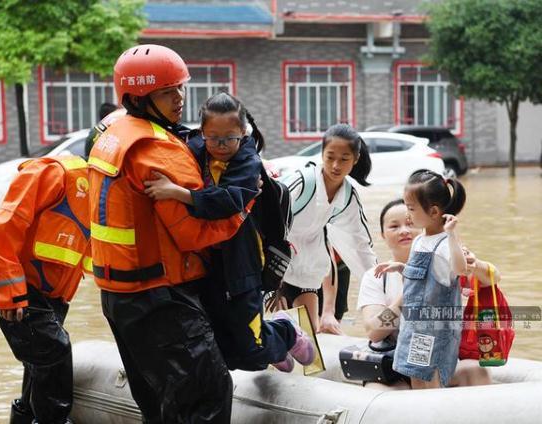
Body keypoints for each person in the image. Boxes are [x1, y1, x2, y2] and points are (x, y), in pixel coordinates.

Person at [87, 44, 247, 424]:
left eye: (180, 88)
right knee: (206, 394)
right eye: (166, 92)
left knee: (159, 402)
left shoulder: (112, 131)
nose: (179, 99)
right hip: (162, 297)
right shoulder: (158, 148)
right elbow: (196, 235)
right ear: (137, 97)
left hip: (120, 296)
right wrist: (241, 210)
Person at [143, 92, 314, 373]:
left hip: (243, 265)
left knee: (253, 348)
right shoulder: (196, 146)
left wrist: (177, 192)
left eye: (229, 138)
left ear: (243, 133)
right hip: (209, 263)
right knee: (226, 351)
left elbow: (227, 202)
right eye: (213, 138)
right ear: (202, 133)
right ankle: (273, 345)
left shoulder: (248, 161)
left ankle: (286, 332)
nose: (221, 146)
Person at [0, 154, 91, 424]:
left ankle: (26, 418)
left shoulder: (107, 194)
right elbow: (1, 231)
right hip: (14, 281)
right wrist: (12, 293)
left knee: (40, 363)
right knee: (55, 352)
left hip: (51, 292)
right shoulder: (55, 173)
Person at [359, 198, 493, 390]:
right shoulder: (376, 276)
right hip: (393, 365)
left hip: (438, 355)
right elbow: (374, 331)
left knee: (477, 371)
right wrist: (412, 292)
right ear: (382, 234)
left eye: (409, 222)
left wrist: (475, 263)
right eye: (394, 226)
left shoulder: (447, 259)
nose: (404, 230)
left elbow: (491, 280)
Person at [277, 123, 377, 334]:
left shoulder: (348, 196)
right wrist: (271, 280)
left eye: (344, 159)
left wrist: (380, 284)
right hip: (273, 260)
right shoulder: (304, 181)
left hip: (307, 265)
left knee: (310, 342)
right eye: (330, 157)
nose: (335, 166)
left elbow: (361, 244)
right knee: (270, 333)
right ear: (322, 154)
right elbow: (268, 221)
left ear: (355, 159)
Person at [375, 170, 468, 389]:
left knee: (430, 377)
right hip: (414, 325)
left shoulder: (445, 243)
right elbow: (422, 279)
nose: (408, 215)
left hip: (433, 329)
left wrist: (452, 235)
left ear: (434, 211)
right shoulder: (420, 240)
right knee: (415, 374)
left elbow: (460, 270)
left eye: (411, 208)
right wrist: (401, 268)